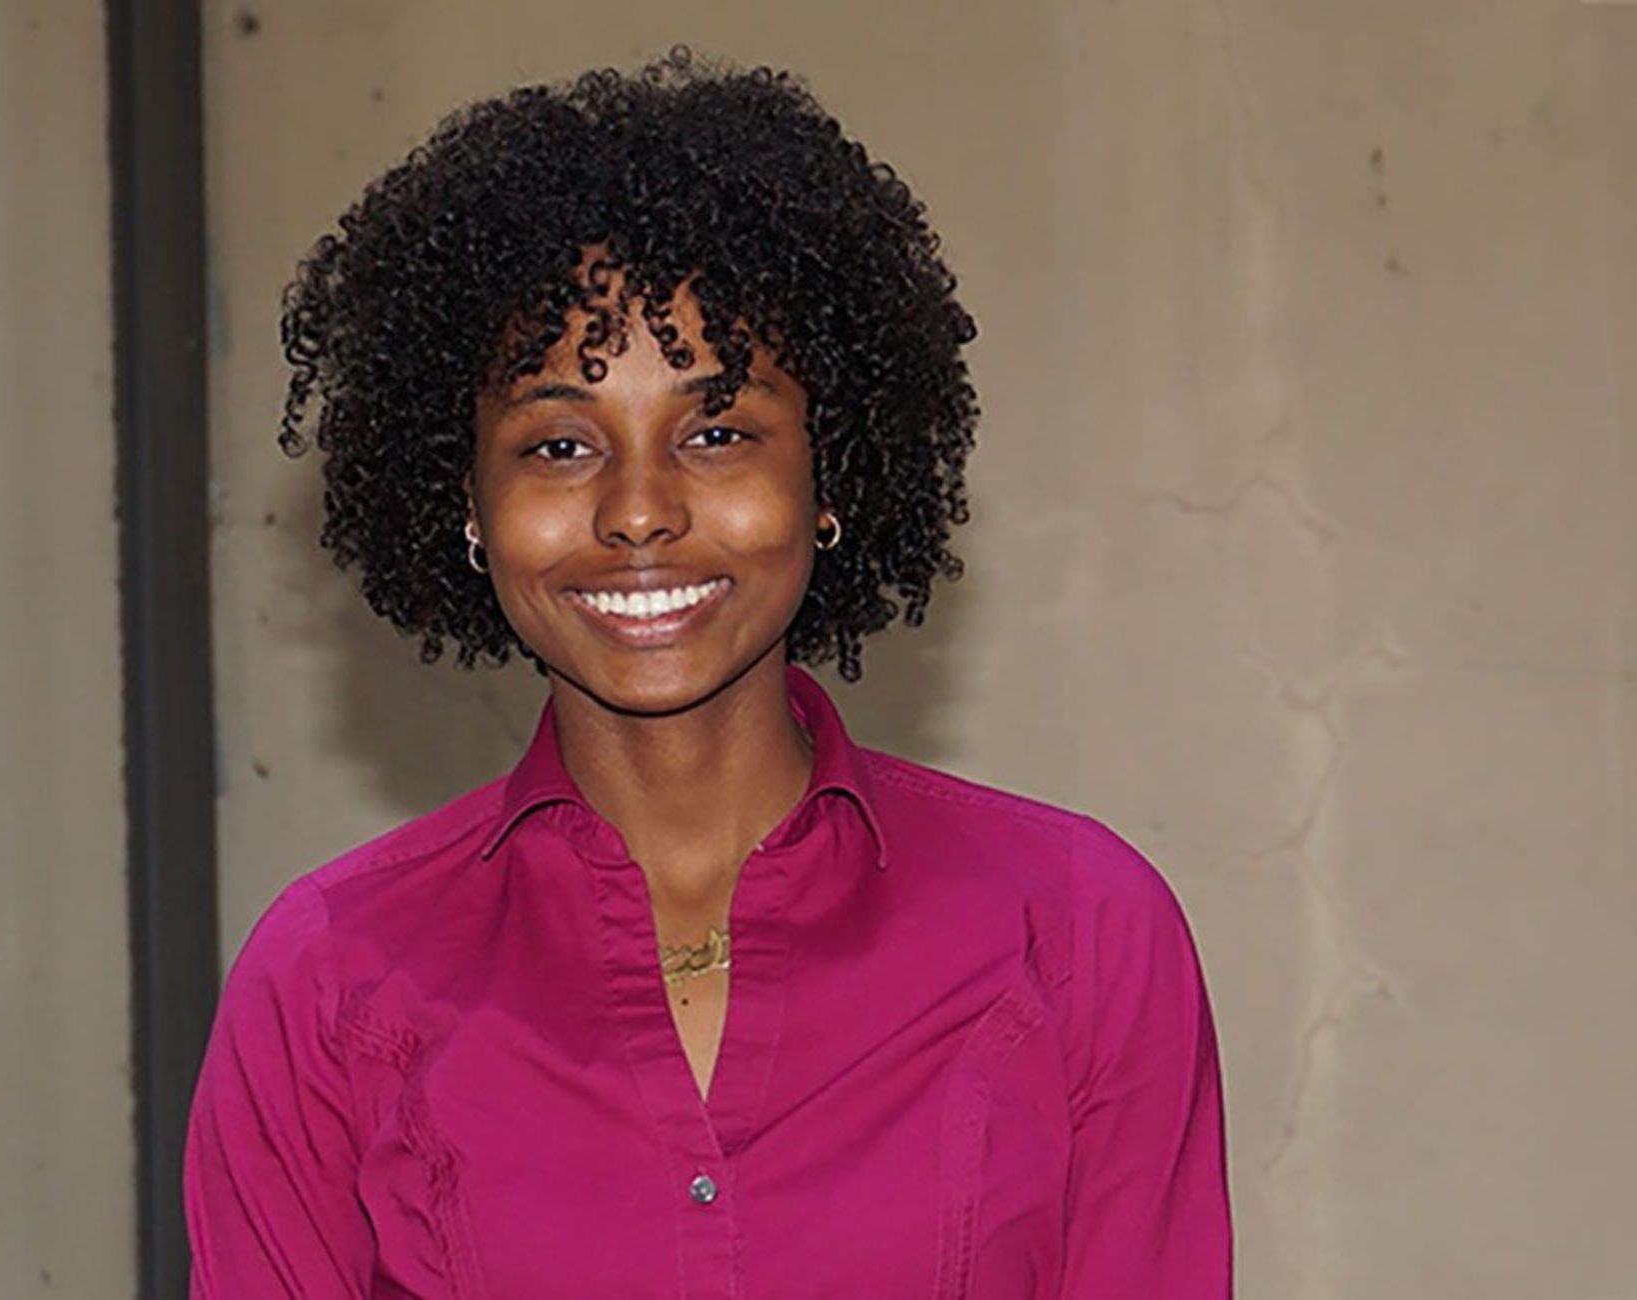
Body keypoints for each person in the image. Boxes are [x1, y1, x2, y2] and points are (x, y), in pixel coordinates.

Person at [184, 49, 1231, 1299]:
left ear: (828, 470)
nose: (639, 510)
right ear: (466, 501)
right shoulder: (325, 986)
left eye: (719, 429)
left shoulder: (1078, 936)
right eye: (560, 443)